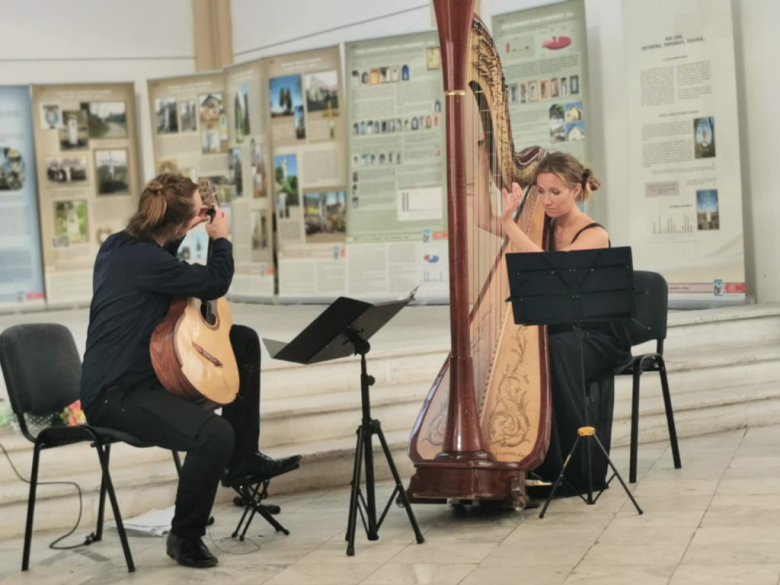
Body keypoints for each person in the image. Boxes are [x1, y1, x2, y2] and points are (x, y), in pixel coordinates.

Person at [80, 174, 301, 568]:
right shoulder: (146, 260)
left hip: (148, 376)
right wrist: (219, 238)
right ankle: (185, 537)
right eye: (195, 209)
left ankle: (243, 459)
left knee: (242, 341)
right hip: (115, 395)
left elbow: (162, 257)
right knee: (213, 434)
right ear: (179, 223)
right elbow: (215, 282)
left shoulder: (119, 246)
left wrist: (188, 227)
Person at [498, 152, 631, 497]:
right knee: (531, 350)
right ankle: (527, 457)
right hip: (565, 331)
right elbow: (488, 221)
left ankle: (569, 470)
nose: (546, 200)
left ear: (575, 190)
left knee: (554, 351)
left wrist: (509, 226)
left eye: (555, 192)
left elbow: (554, 269)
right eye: (541, 192)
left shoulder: (594, 233)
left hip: (601, 337)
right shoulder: (543, 227)